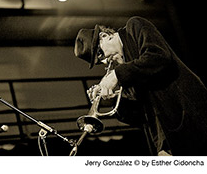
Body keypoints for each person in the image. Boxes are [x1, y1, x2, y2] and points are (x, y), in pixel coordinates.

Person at [74, 16, 207, 156]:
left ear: (105, 36)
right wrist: (113, 99)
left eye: (101, 54)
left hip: (192, 119)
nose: (106, 62)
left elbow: (159, 57)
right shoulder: (125, 71)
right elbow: (138, 117)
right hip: (167, 140)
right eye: (100, 62)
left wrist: (117, 75)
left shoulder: (134, 27)